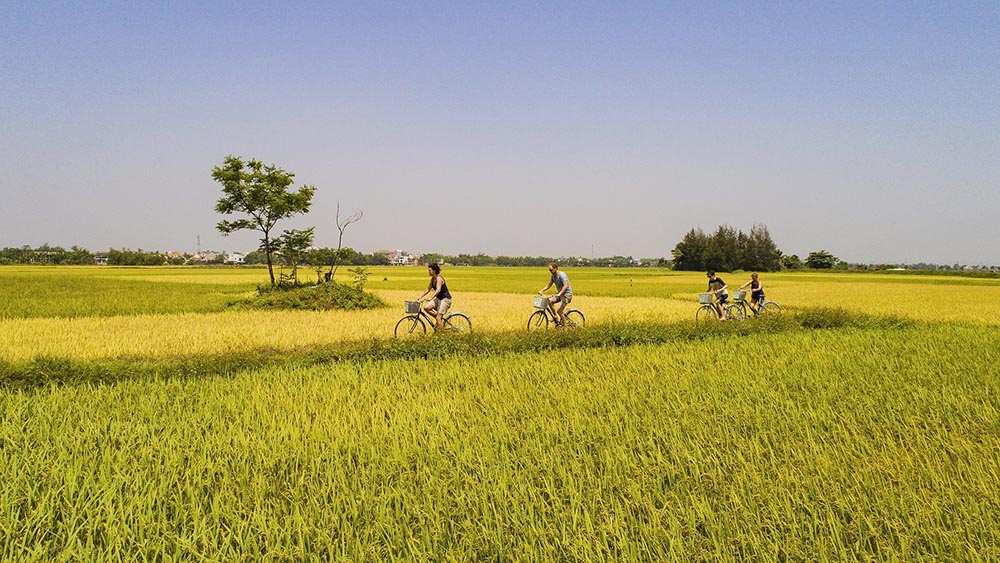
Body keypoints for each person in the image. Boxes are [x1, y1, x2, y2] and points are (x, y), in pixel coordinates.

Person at [418, 263, 451, 331]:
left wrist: (431, 297)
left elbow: (438, 289)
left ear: (434, 271)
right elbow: (428, 289)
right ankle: (438, 319)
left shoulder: (439, 278)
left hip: (445, 299)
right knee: (426, 307)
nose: (428, 272)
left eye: (430, 270)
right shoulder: (432, 279)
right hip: (439, 299)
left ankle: (442, 335)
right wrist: (420, 297)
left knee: (438, 318)